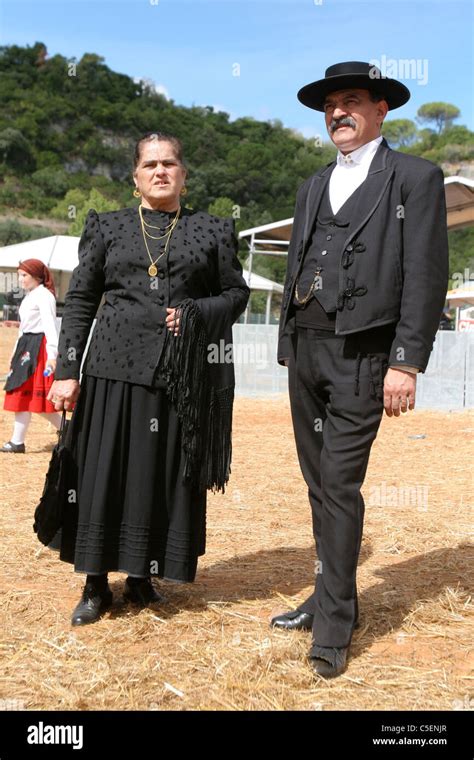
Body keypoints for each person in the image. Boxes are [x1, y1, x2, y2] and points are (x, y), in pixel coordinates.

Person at [273, 62, 449, 678]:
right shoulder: (313, 183)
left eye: (351, 102)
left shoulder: (416, 178)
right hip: (307, 350)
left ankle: (334, 625)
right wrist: (288, 342)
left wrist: (406, 360)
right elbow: (302, 260)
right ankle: (326, 594)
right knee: (318, 486)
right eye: (330, 105)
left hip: (364, 356)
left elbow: (426, 273)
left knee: (340, 486)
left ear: (380, 110)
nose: (338, 113)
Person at [47, 131, 250, 626]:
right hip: (112, 370)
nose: (160, 171)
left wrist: (197, 312)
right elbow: (80, 302)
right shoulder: (108, 227)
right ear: (135, 177)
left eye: (170, 163)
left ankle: (141, 578)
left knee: (158, 476)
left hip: (179, 377)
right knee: (103, 475)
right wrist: (67, 370)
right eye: (150, 164)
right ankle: (95, 583)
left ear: (183, 174)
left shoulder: (212, 230)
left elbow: (235, 294)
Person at [2, 259, 62, 453]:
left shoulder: (45, 296)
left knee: (37, 398)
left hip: (39, 349)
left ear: (37, 276)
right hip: (26, 346)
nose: (20, 279)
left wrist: (52, 355)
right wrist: (14, 355)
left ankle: (66, 430)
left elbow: (50, 326)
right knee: (23, 395)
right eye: (19, 275)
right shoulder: (30, 296)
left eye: (24, 275)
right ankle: (17, 441)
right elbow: (23, 329)